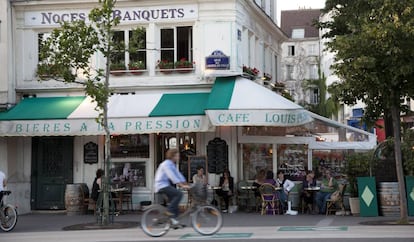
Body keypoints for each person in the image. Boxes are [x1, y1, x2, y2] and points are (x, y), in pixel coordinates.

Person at [154, 149, 189, 227]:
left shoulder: (172, 164)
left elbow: (178, 174)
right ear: (173, 156)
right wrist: (181, 185)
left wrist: (186, 184)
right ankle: (169, 213)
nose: (179, 157)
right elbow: (172, 176)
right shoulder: (166, 164)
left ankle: (174, 221)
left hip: (165, 185)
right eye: (177, 156)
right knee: (179, 194)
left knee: (175, 203)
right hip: (161, 186)